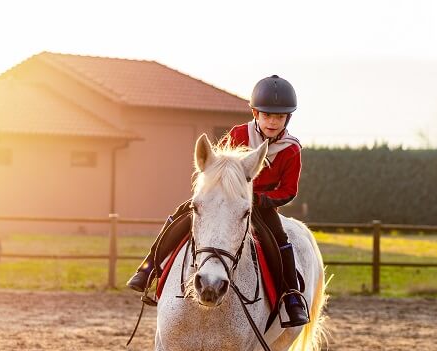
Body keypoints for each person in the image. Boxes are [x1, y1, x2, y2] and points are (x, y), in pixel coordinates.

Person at [126, 74, 309, 327]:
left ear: (288, 118)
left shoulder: (291, 149)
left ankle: (291, 297)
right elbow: (217, 167)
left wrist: (262, 199)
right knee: (182, 216)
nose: (272, 122)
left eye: (279, 117)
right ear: (255, 113)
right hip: (225, 199)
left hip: (261, 205)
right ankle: (149, 269)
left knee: (280, 239)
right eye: (267, 115)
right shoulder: (238, 133)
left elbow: (289, 190)